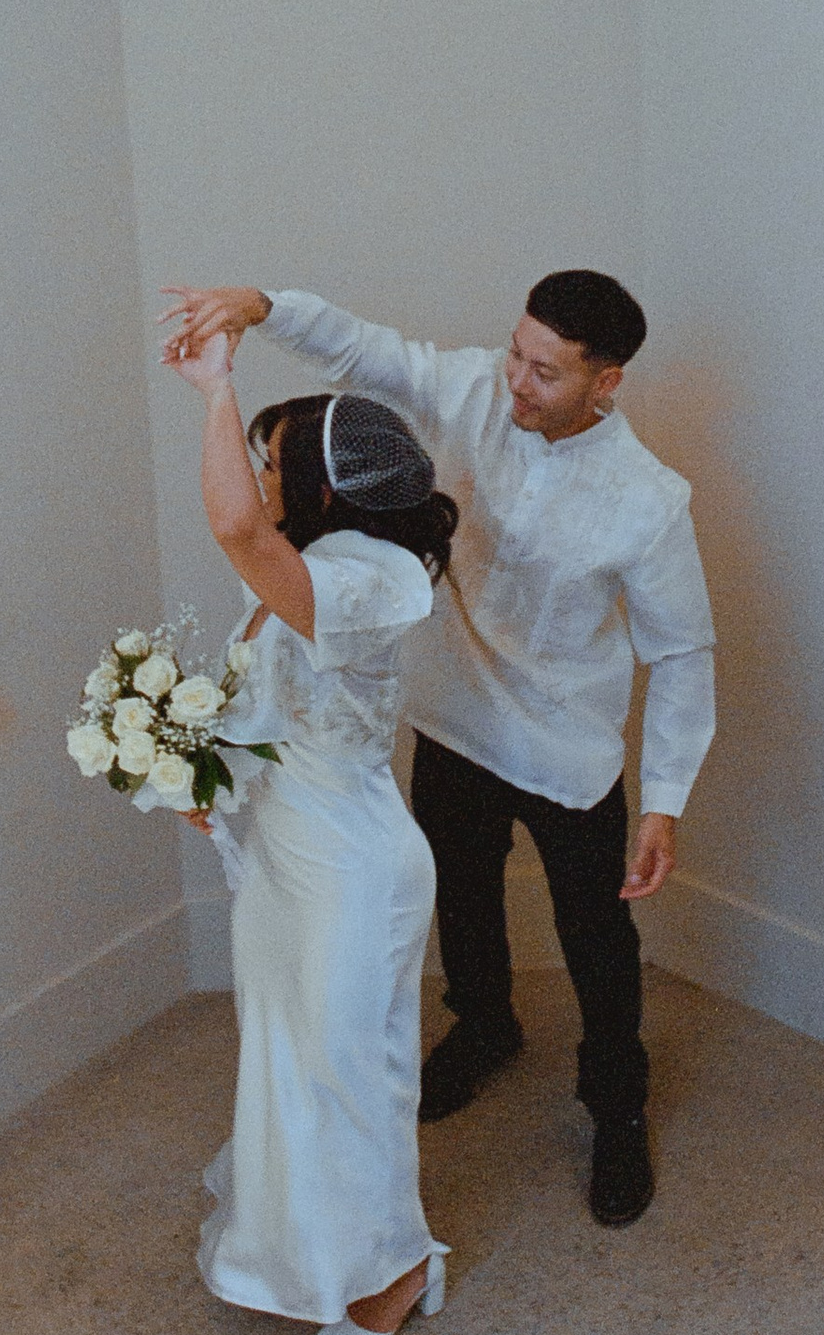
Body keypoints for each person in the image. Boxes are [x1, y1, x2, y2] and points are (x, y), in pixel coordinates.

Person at [159, 270, 713, 1228]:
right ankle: (486, 1023)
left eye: (545, 372)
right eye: (516, 352)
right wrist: (263, 309)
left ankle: (616, 1106)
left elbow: (682, 649)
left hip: (567, 750)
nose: (516, 382)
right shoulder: (473, 389)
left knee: (597, 942)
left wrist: (663, 797)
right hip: (455, 718)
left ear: (606, 382)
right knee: (462, 889)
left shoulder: (650, 502)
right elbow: (369, 350)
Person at [164, 314, 460, 1335]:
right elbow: (271, 714)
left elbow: (235, 531)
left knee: (352, 1074)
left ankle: (396, 1261)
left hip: (352, 867)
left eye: (271, 462)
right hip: (284, 862)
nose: (260, 479)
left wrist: (214, 391)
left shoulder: (375, 580)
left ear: (325, 487)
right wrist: (197, 769)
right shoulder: (305, 568)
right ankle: (299, 1247)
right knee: (289, 1058)